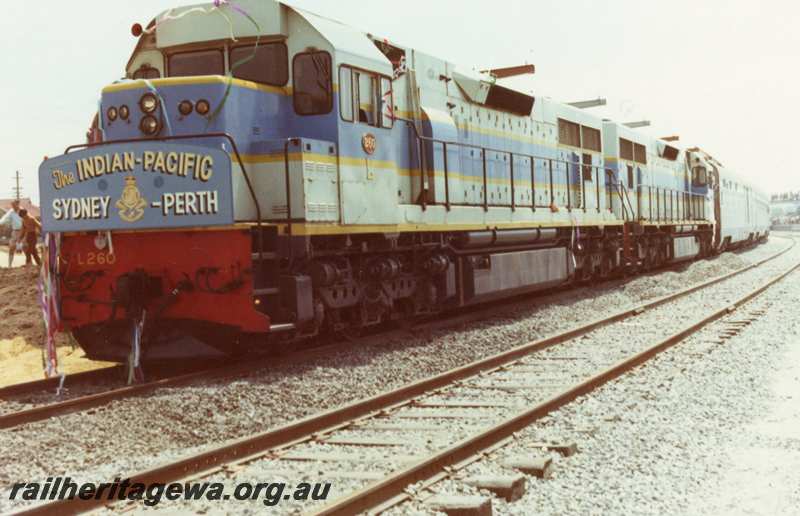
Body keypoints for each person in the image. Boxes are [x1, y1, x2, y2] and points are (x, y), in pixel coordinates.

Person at [0, 200, 23, 267]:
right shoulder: (11, 212)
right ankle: (10, 265)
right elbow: (4, 219)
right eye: (12, 205)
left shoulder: (22, 211)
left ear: (18, 204)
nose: (13, 207)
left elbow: (27, 219)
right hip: (15, 231)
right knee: (11, 247)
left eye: (14, 205)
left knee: (26, 248)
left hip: (24, 231)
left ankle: (29, 264)